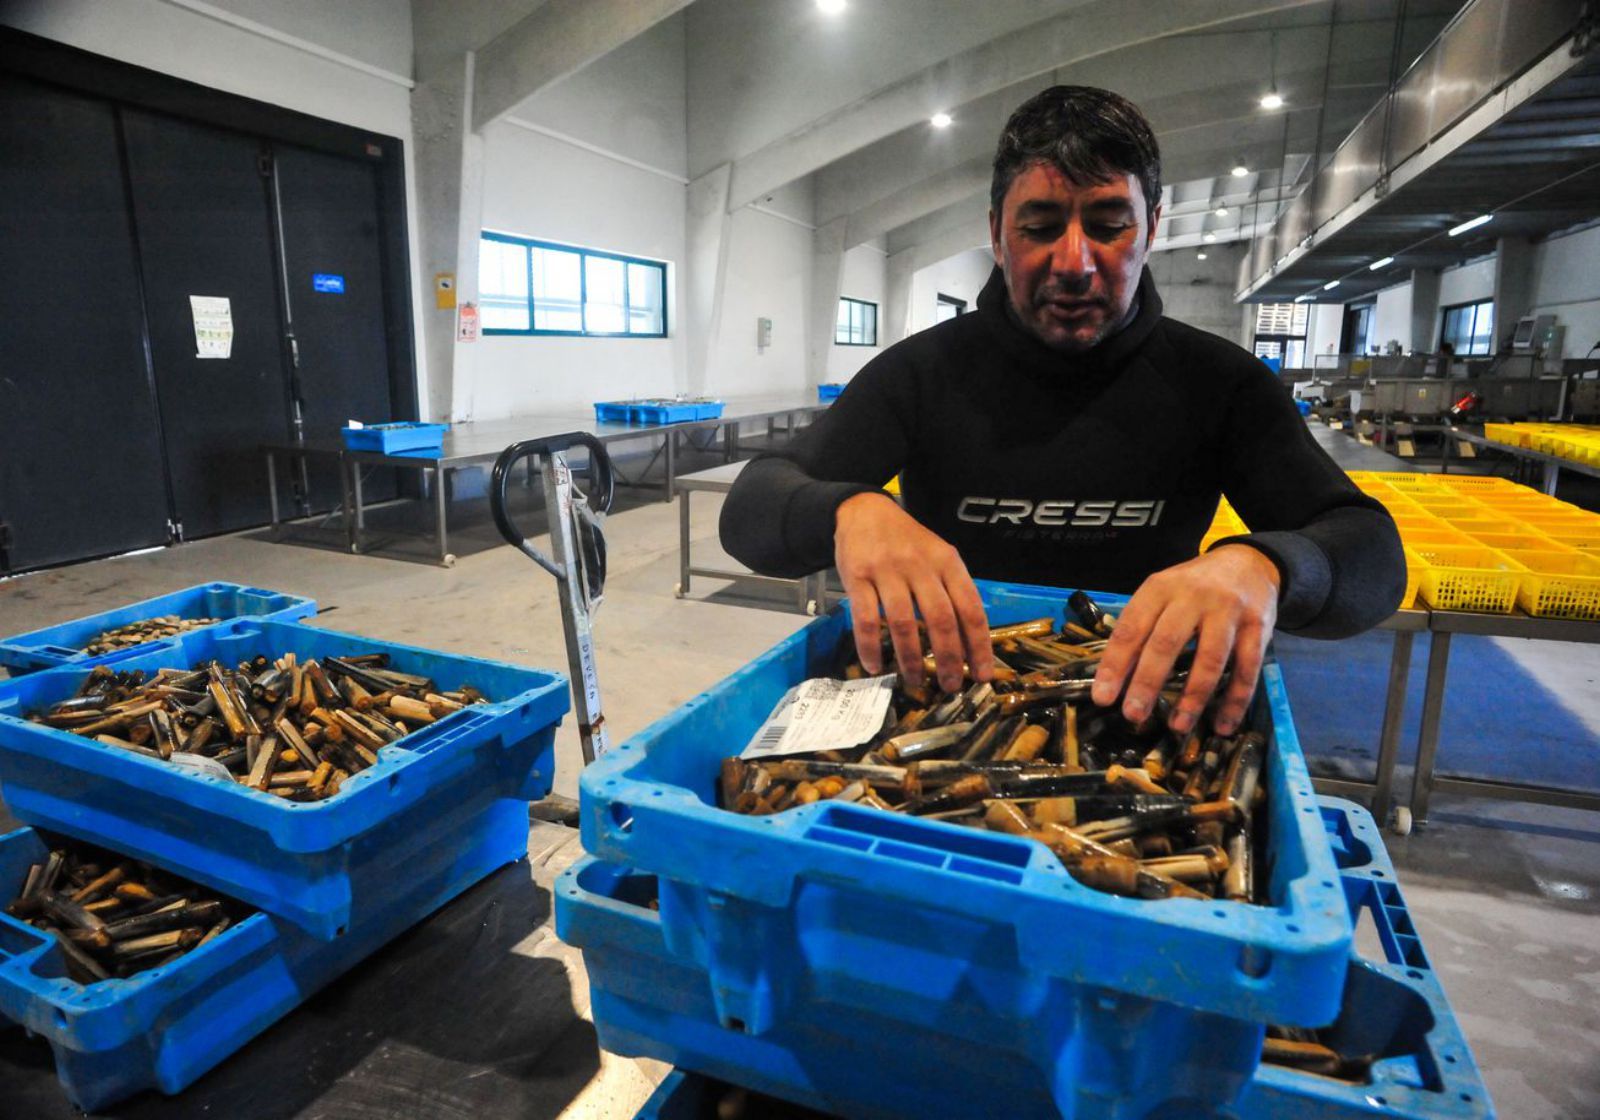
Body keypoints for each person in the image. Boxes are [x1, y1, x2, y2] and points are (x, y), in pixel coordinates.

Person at [720, 86, 1404, 738]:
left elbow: (1372, 554)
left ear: (1153, 228)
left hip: (1140, 714)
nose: (1074, 262)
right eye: (1040, 227)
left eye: (1109, 226)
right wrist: (848, 510)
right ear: (996, 233)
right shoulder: (922, 373)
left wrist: (1268, 565)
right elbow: (750, 509)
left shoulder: (1220, 383)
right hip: (948, 710)